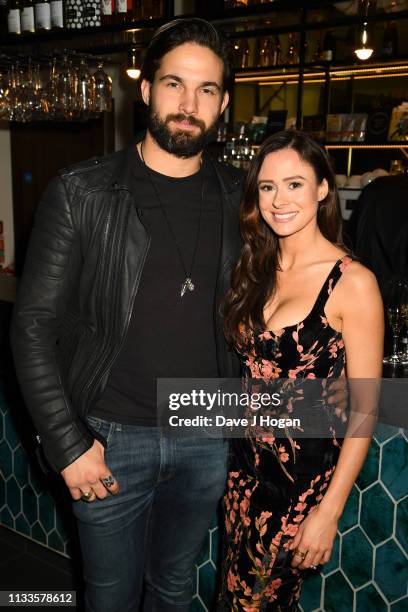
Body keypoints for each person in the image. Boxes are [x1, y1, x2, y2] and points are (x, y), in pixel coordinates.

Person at [10, 18, 243, 612]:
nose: (189, 105)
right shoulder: (81, 192)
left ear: (223, 104)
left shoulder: (244, 200)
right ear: (145, 91)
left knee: (174, 589)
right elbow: (33, 327)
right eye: (173, 84)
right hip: (109, 442)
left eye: (207, 90)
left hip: (206, 436)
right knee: (109, 597)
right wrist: (67, 445)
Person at [219, 130, 384, 610]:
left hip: (298, 490)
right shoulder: (256, 266)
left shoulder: (352, 283)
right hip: (242, 475)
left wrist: (328, 511)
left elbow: (365, 408)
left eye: (295, 184)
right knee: (235, 598)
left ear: (322, 189)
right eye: (267, 187)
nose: (278, 199)